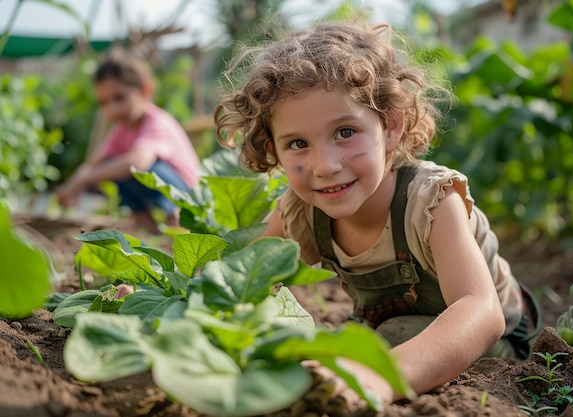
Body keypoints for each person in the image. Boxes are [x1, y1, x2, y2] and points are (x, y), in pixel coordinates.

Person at [214, 20, 540, 405]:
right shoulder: (300, 212)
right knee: (346, 344)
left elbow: (481, 312)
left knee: (389, 337)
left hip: (495, 338)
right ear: (273, 150)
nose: (325, 165)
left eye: (345, 132)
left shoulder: (431, 200)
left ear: (391, 126)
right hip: (387, 328)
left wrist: (378, 377)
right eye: (298, 143)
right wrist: (163, 307)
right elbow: (240, 283)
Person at [56, 47, 200, 234]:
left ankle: (180, 228)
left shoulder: (156, 122)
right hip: (165, 193)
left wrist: (87, 179)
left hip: (190, 198)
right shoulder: (122, 129)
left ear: (145, 91)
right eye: (104, 103)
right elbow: (94, 163)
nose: (112, 109)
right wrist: (72, 186)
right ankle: (153, 235)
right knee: (112, 169)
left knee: (142, 167)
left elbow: (138, 162)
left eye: (120, 98)